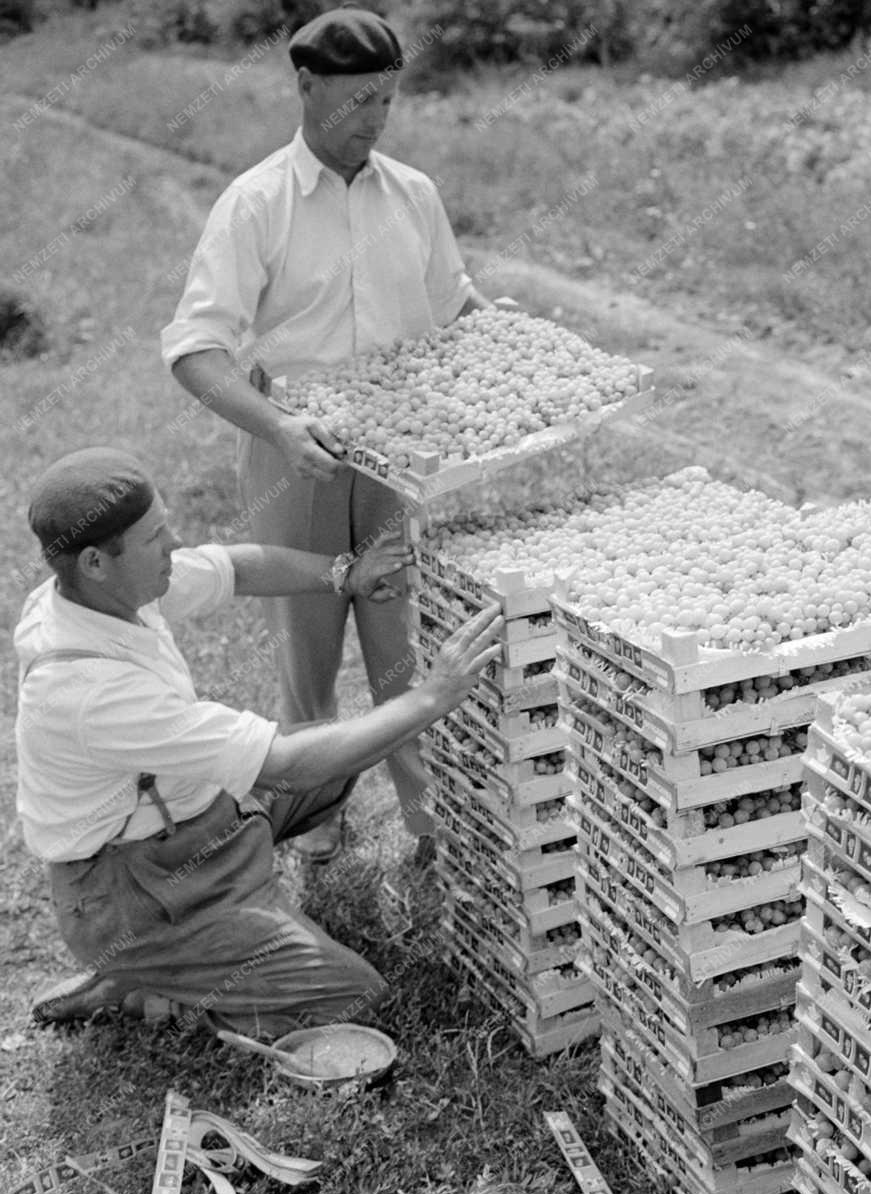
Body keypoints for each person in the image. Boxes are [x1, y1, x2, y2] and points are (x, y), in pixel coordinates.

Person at [17, 447, 502, 1035]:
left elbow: (237, 568)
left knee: (338, 747)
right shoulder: (88, 691)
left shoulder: (101, 591)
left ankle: (199, 948)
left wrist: (343, 572)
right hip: (133, 890)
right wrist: (432, 696)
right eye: (155, 538)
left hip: (191, 818)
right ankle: (149, 978)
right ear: (95, 561)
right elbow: (284, 768)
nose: (175, 546)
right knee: (352, 995)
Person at [161, 7, 493, 861]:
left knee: (404, 652)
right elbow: (196, 348)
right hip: (293, 460)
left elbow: (458, 309)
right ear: (306, 87)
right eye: (355, 105)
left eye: (386, 103)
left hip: (395, 459)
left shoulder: (413, 195)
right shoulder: (257, 203)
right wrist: (278, 423)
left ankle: (432, 831)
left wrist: (523, 349)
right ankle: (318, 835)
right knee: (307, 654)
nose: (372, 124)